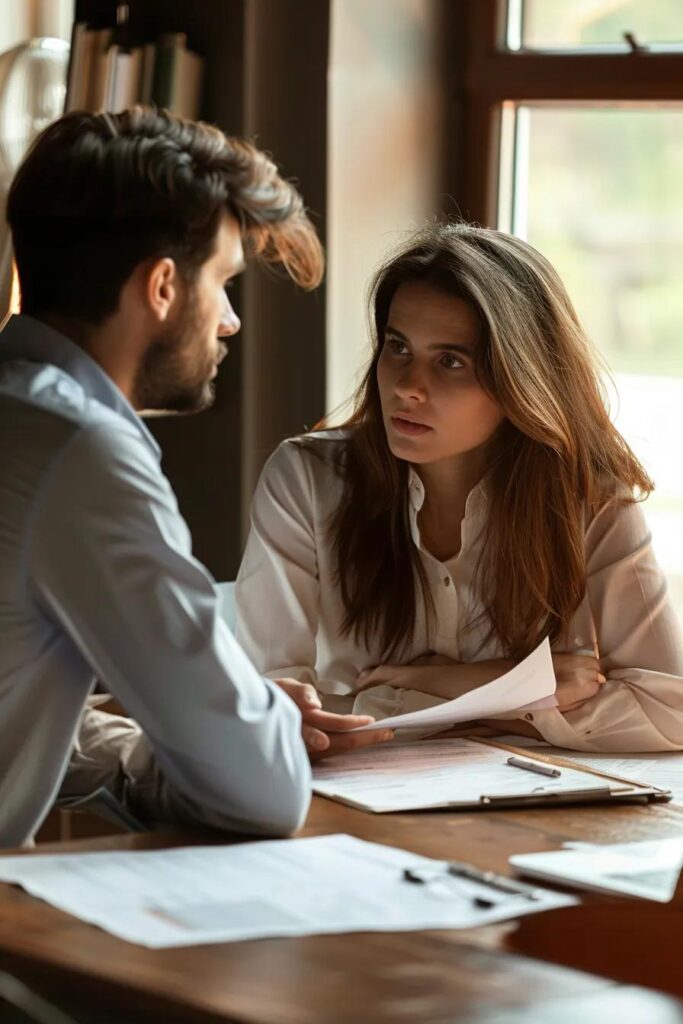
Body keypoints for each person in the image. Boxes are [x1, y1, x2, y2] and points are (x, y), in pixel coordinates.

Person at [0, 107, 389, 849]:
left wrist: (227, 716)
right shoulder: (82, 452)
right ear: (162, 287)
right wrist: (250, 722)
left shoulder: (21, 417)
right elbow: (265, 791)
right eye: (223, 281)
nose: (231, 320)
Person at [236, 221, 683, 753]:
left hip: (534, 798)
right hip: (355, 793)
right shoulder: (307, 478)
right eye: (398, 347)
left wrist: (428, 683)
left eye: (450, 361)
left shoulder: (592, 498)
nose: (407, 386)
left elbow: (669, 711)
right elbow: (269, 703)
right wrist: (522, 689)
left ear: (522, 379)